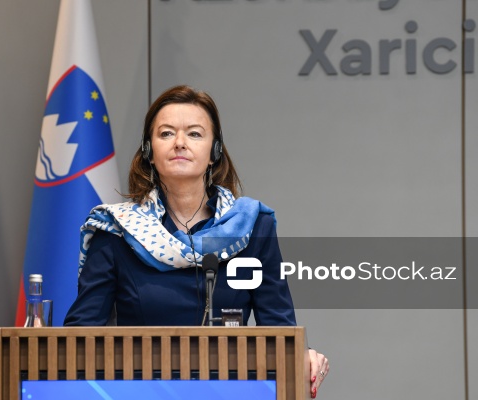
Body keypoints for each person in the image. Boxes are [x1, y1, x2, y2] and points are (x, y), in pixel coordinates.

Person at [64, 85, 329, 397]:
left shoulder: (252, 226)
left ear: (214, 151)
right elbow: (80, 335)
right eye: (166, 133)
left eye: (194, 134)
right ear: (149, 151)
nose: (180, 143)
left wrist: (302, 355)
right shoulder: (117, 230)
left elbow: (279, 328)